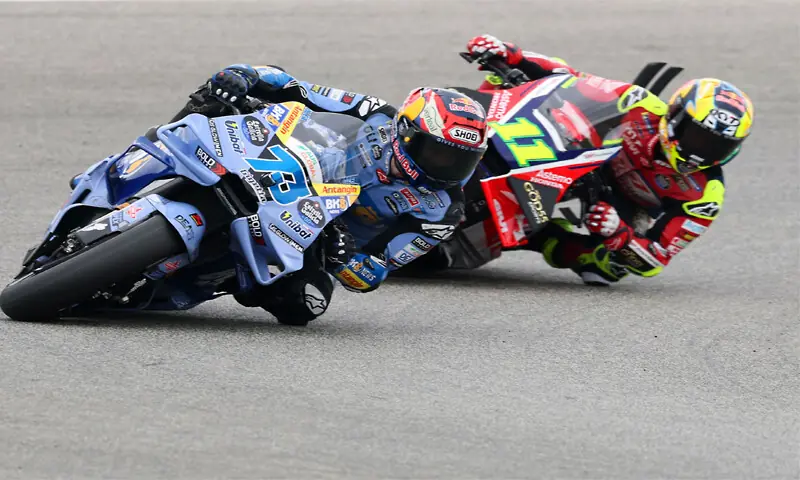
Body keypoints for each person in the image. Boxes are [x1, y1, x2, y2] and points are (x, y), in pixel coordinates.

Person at [88, 64, 488, 324]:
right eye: (438, 152)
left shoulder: (442, 210)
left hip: (320, 237)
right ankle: (117, 173)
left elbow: (378, 268)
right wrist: (245, 77)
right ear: (407, 131)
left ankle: (198, 279)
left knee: (304, 305)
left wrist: (352, 261)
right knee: (212, 104)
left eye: (459, 161)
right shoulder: (373, 113)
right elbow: (295, 87)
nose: (446, 168)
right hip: (285, 167)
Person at [464, 34, 755, 285]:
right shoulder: (638, 102)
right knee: (498, 89)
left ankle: (539, 239)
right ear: (676, 115)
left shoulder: (706, 194)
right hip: (578, 159)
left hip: (618, 209)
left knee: (606, 268)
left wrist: (620, 233)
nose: (700, 152)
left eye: (717, 146)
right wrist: (512, 55)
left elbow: (656, 259)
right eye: (699, 137)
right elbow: (570, 79)